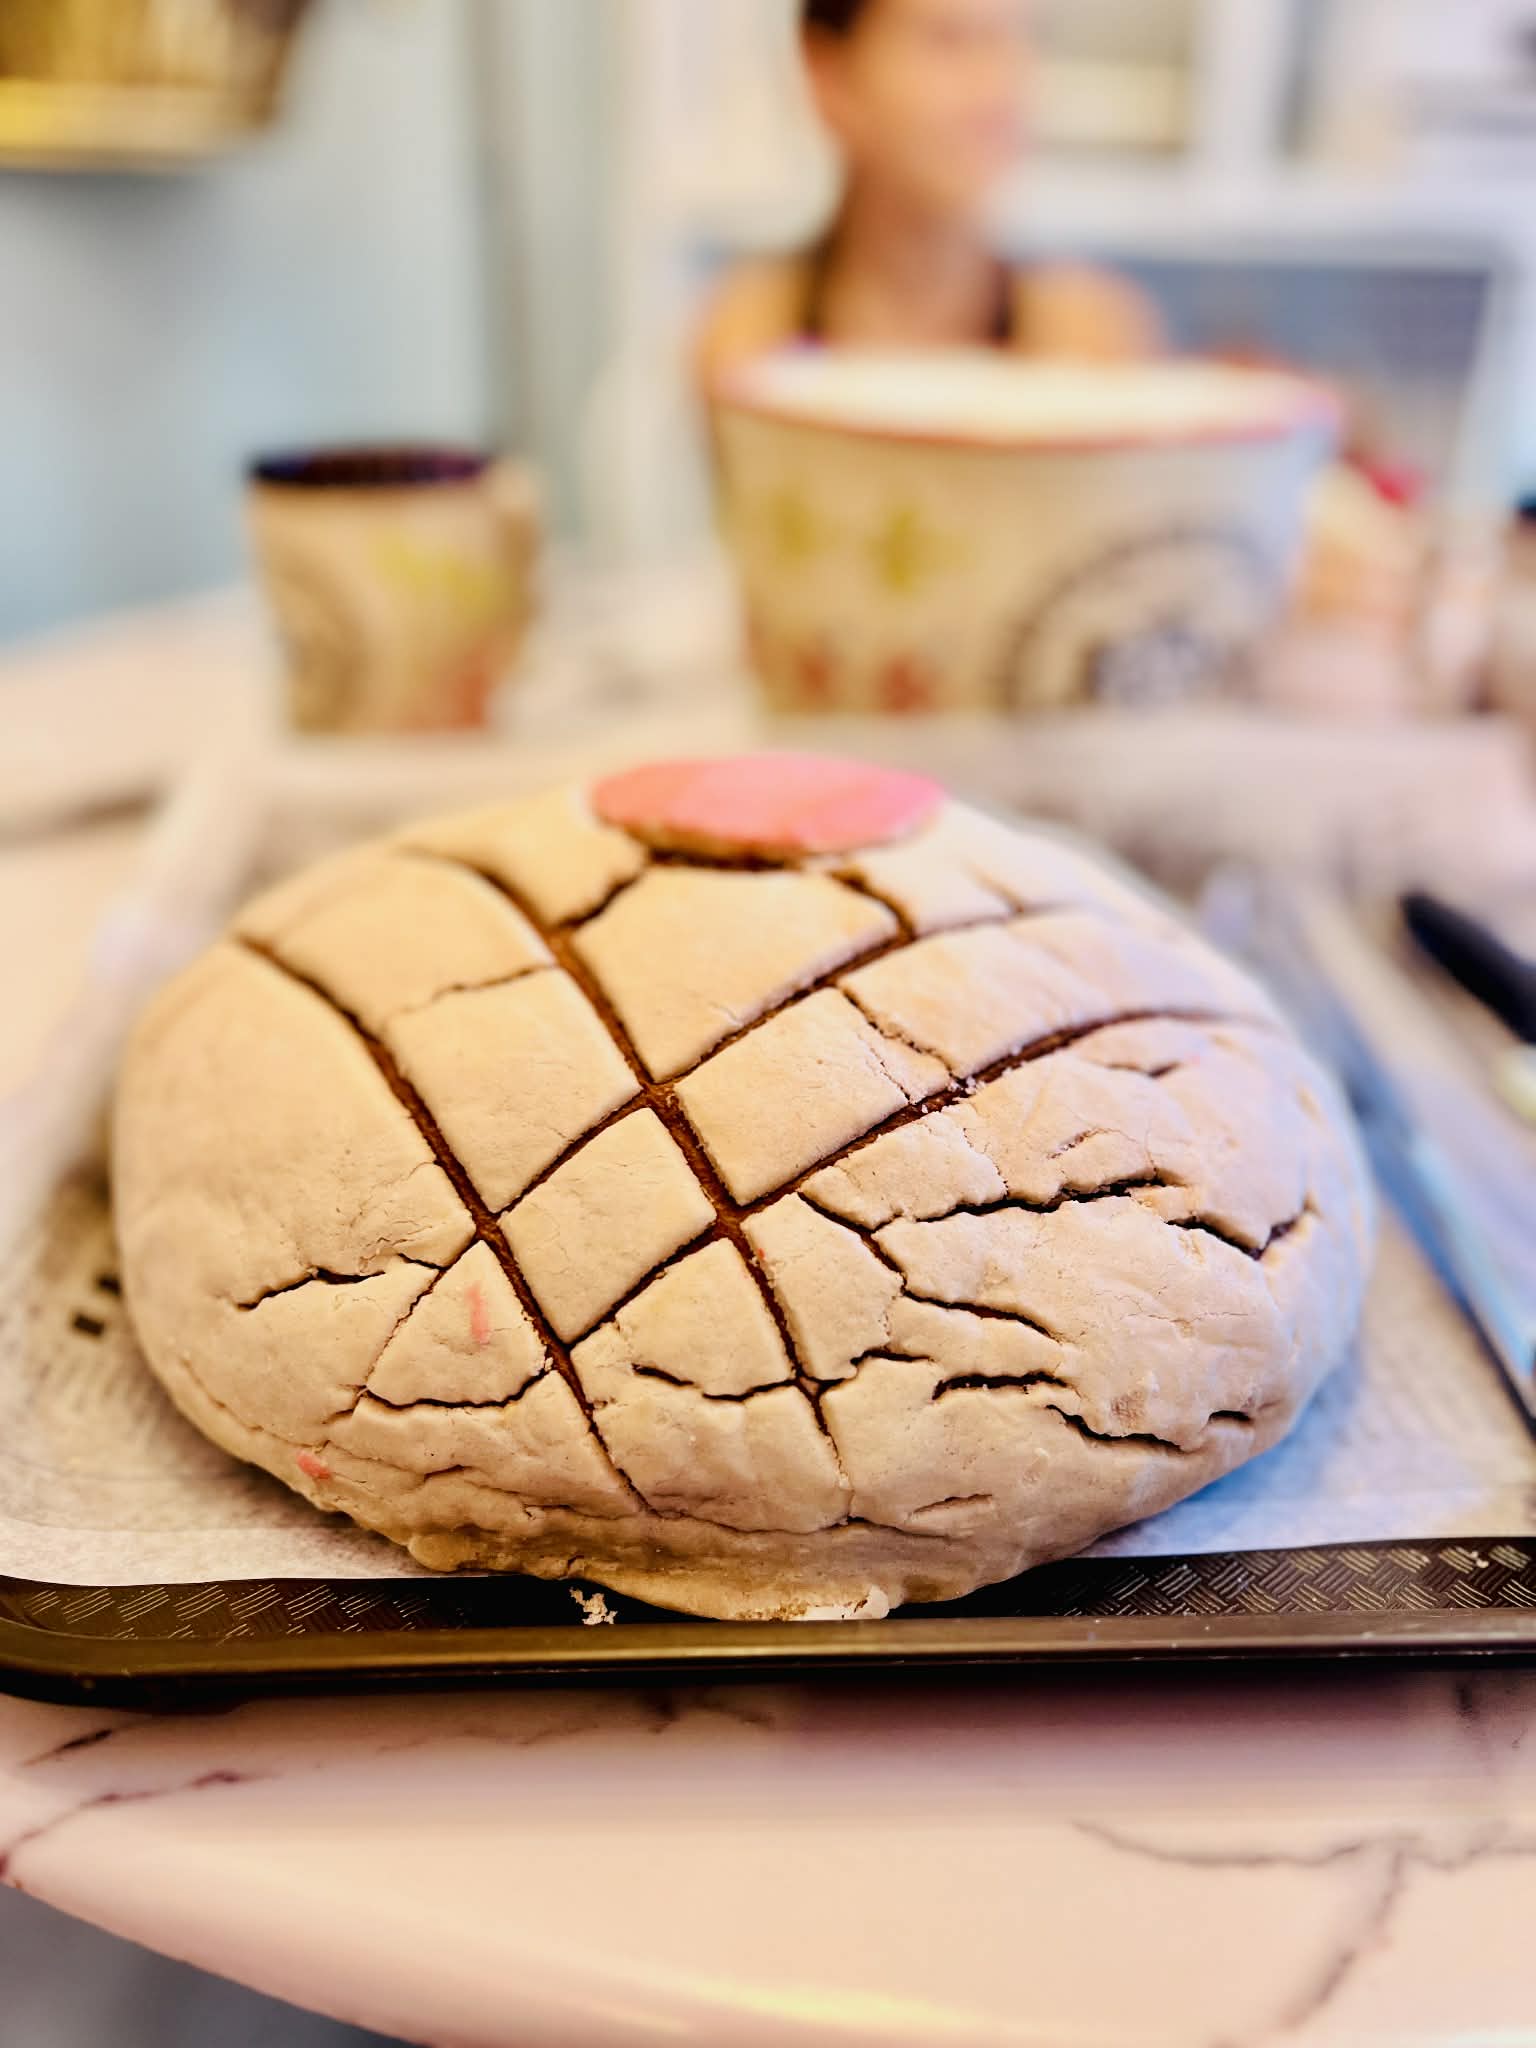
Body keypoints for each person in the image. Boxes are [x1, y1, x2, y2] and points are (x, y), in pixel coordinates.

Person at [695, 0, 1162, 391]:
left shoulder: (1094, 342)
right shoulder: (750, 338)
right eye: (949, 41)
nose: (997, 89)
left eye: (1019, 38)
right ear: (827, 77)